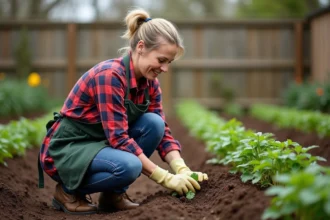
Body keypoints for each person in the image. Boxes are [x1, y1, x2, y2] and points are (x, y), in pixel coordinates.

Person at [38, 8, 208, 215]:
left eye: (169, 62)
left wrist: (182, 168)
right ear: (141, 47)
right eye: (161, 60)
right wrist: (165, 177)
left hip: (100, 143)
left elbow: (162, 132)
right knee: (129, 167)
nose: (165, 69)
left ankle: (112, 197)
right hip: (70, 148)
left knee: (154, 124)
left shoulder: (150, 84)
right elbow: (118, 137)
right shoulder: (109, 76)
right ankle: (66, 192)